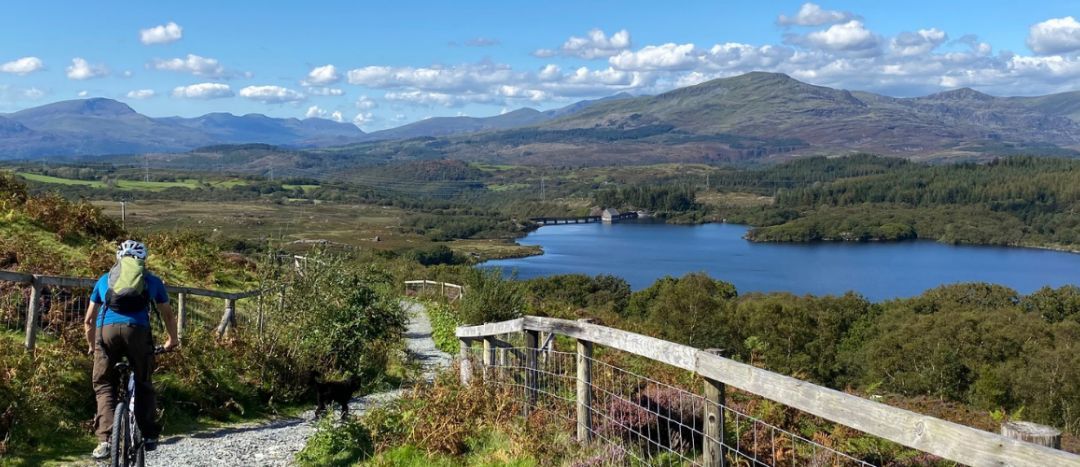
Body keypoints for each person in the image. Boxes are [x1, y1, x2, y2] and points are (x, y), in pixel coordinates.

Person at [83, 240, 179, 460]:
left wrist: (92, 346)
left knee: (104, 383)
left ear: (118, 259)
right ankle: (148, 436)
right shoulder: (151, 281)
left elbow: (89, 320)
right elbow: (167, 315)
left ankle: (104, 441)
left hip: (105, 333)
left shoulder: (104, 280)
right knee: (144, 381)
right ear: (141, 260)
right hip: (137, 332)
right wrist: (171, 340)